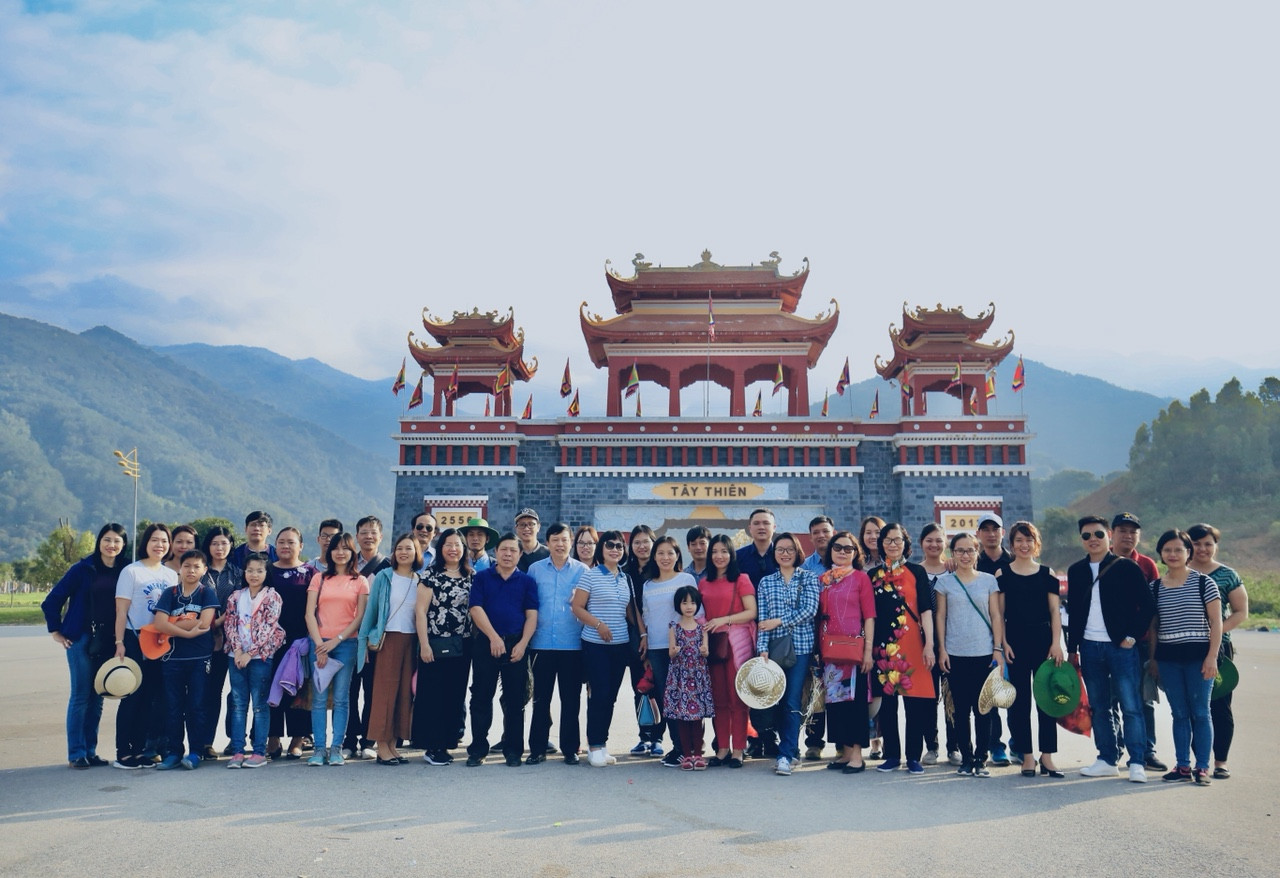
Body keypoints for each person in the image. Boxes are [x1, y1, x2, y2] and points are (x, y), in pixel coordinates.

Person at [1066, 516, 1156, 783]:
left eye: (1097, 534)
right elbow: (1075, 612)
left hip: (1120, 647)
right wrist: (1072, 649)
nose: (1092, 539)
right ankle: (1107, 758)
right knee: (1099, 706)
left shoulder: (1126, 567)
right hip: (1089, 647)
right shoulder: (1076, 570)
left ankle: (1137, 761)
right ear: (1081, 540)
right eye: (1086, 536)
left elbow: (1148, 605)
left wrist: (1132, 636)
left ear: (1108, 535)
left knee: (1131, 706)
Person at [42, 523, 129, 768]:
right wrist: (56, 631)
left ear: (124, 545)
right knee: (81, 695)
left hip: (108, 639)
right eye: (107, 539)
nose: (111, 545)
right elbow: (52, 601)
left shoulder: (126, 569)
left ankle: (90, 750)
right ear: (99, 541)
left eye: (117, 541)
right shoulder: (82, 569)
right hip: (80, 637)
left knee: (98, 695)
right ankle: (76, 753)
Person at [1147, 530, 1222, 785]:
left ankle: (1202, 768)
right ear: (1161, 554)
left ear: (1188, 552)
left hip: (1199, 658)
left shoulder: (1204, 583)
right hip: (1168, 659)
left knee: (1200, 712)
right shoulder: (1155, 588)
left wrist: (1212, 657)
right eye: (1167, 550)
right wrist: (1154, 660)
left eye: (1179, 549)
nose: (1173, 554)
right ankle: (1182, 766)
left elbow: (1216, 622)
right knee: (1179, 713)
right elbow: (1154, 627)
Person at [867, 523, 936, 775]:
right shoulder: (872, 575)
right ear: (881, 544)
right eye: (888, 540)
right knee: (887, 705)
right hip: (883, 648)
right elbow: (869, 616)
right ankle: (892, 755)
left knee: (915, 704)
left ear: (906, 543)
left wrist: (930, 645)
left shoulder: (917, 571)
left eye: (897, 540)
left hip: (913, 644)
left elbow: (926, 610)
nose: (893, 544)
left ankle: (914, 757)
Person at [998, 521, 1065, 777]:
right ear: (1012, 544)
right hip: (1014, 642)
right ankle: (1026, 756)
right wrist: (1003, 643)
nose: (1024, 545)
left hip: (1043, 642)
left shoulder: (1048, 574)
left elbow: (1055, 612)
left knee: (1046, 701)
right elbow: (999, 614)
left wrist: (1056, 643)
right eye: (1019, 540)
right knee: (1019, 702)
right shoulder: (1003, 574)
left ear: (1036, 543)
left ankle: (1047, 756)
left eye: (1029, 540)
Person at [934, 532, 1003, 777]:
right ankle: (966, 757)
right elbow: (941, 617)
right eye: (960, 551)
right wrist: (942, 649)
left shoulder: (988, 581)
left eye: (970, 550)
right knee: (961, 711)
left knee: (984, 709)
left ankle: (981, 759)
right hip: (955, 653)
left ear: (977, 552)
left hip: (984, 653)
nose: (965, 555)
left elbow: (996, 616)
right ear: (953, 553)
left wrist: (998, 649)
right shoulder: (944, 583)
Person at [467, 532, 539, 767]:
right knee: (481, 696)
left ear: (520, 554)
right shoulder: (482, 578)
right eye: (504, 549)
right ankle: (478, 749)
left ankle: (513, 750)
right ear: (496, 552)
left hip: (516, 643)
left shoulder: (527, 581)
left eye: (513, 550)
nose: (508, 554)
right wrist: (493, 638)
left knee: (515, 699)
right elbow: (475, 608)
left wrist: (523, 644)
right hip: (486, 643)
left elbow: (532, 615)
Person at [112, 523, 178, 769]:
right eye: (155, 540)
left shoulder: (170, 575)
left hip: (160, 640)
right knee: (132, 696)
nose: (160, 545)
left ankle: (139, 750)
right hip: (134, 637)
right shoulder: (132, 572)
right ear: (146, 543)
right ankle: (123, 752)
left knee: (150, 697)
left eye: (164, 541)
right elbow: (121, 611)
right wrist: (119, 642)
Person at [755, 532, 820, 776]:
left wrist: (779, 621)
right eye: (780, 549)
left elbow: (810, 610)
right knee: (776, 700)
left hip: (801, 648)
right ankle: (789, 749)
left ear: (797, 552)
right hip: (773, 650)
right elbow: (763, 620)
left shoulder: (808, 578)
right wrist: (762, 648)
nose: (785, 553)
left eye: (789, 549)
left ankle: (786, 754)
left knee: (792, 700)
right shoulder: (766, 582)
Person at [1187, 522, 1248, 779]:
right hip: (1186, 649)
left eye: (1208, 544)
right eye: (1196, 544)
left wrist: (1216, 633)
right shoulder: (1179, 571)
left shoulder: (1227, 574)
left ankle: (1220, 761)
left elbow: (1241, 612)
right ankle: (1199, 761)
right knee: (1192, 707)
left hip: (1219, 650)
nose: (1202, 549)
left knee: (1219, 705)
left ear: (1216, 546)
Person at [572, 530, 637, 767]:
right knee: (598, 694)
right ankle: (594, 746)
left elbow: (630, 612)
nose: (615, 550)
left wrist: (643, 634)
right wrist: (598, 625)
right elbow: (577, 607)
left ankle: (603, 744)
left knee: (610, 697)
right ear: (602, 548)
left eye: (619, 546)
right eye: (610, 545)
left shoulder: (626, 578)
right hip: (595, 645)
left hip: (620, 646)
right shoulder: (590, 575)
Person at [304, 532, 370, 766]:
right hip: (319, 643)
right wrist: (319, 645)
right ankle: (319, 749)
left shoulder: (360, 581)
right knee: (319, 699)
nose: (340, 552)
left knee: (342, 699)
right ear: (329, 551)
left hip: (347, 645)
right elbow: (309, 614)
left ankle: (336, 749)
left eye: (345, 548)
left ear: (353, 552)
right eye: (336, 548)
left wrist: (337, 640)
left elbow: (360, 617)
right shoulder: (319, 578)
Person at [527, 523, 589, 764]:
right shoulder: (535, 569)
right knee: (540, 700)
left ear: (571, 542)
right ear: (548, 543)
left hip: (572, 644)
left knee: (571, 700)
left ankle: (570, 749)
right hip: (541, 643)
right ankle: (537, 748)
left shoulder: (582, 570)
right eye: (555, 540)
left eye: (564, 539)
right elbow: (529, 604)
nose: (560, 544)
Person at [359, 532, 422, 765]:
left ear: (416, 552)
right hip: (388, 640)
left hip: (412, 641)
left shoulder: (420, 579)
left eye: (409, 548)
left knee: (404, 694)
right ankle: (381, 746)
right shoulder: (385, 576)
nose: (404, 552)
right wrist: (363, 642)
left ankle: (393, 744)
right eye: (399, 548)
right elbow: (371, 612)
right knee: (384, 694)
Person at [153, 550, 219, 770]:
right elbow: (159, 624)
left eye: (196, 566)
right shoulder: (170, 593)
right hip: (172, 658)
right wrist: (187, 631)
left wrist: (172, 624)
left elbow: (204, 623)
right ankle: (174, 752)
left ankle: (195, 752)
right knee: (173, 707)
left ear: (204, 570)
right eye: (187, 566)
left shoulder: (207, 593)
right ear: (179, 569)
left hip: (199, 658)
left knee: (197, 706)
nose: (191, 570)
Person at [816, 530, 876, 773]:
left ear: (855, 553)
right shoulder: (824, 580)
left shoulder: (861, 578)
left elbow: (869, 616)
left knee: (855, 703)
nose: (842, 552)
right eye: (838, 547)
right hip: (830, 650)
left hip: (854, 651)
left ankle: (857, 756)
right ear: (830, 550)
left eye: (848, 548)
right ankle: (846, 752)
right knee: (836, 703)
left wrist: (868, 651)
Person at [1109, 512, 1164, 772]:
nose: (1128, 536)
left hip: (1140, 643)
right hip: (1108, 643)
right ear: (1112, 534)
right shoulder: (1101, 561)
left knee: (1143, 700)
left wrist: (1154, 652)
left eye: (1133, 532)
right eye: (1123, 531)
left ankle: (1147, 751)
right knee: (1111, 700)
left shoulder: (1147, 565)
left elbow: (1154, 610)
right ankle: (1114, 749)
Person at [414, 528, 474, 766]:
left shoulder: (471, 575)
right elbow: (420, 611)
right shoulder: (431, 574)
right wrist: (424, 644)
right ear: (441, 548)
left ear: (464, 549)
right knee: (433, 695)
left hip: (462, 645)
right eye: (448, 544)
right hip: (435, 643)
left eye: (457, 544)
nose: (453, 549)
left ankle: (447, 741)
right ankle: (432, 746)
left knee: (454, 694)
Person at [639, 536, 698, 767]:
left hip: (683, 648)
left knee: (687, 696)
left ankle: (691, 747)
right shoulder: (648, 585)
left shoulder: (686, 579)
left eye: (670, 553)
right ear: (654, 557)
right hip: (657, 648)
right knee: (668, 699)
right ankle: (678, 747)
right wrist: (646, 648)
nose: (665, 557)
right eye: (660, 553)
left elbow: (696, 611)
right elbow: (646, 617)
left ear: (677, 555)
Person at [699, 534, 757, 768]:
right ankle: (722, 748)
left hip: (736, 644)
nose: (719, 556)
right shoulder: (704, 582)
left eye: (724, 551)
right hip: (713, 645)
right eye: (714, 551)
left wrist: (723, 619)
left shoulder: (741, 579)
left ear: (731, 554)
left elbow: (751, 611)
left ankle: (739, 750)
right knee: (719, 698)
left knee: (737, 698)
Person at [222, 553, 284, 768]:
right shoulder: (236, 596)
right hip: (236, 657)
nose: (254, 574)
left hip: (260, 658)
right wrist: (238, 650)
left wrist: (250, 653)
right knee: (238, 704)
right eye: (250, 570)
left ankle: (259, 752)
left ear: (267, 573)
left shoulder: (272, 597)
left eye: (259, 570)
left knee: (260, 705)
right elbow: (230, 625)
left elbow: (268, 627)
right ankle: (237, 751)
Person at [265, 527, 313, 760]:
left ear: (300, 546)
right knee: (270, 685)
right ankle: (272, 736)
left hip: (299, 639)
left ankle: (297, 738)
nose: (285, 546)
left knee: (299, 687)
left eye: (291, 542)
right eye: (281, 541)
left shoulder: (310, 573)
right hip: (269, 639)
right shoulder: (266, 570)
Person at [346, 515, 389, 760]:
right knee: (348, 691)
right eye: (364, 532)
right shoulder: (347, 563)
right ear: (356, 536)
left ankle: (368, 740)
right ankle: (349, 740)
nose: (368, 536)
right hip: (349, 637)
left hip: (375, 640)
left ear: (380, 536)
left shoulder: (388, 566)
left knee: (373, 691)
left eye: (373, 532)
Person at [199, 525, 241, 760]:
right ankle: (205, 742)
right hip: (204, 639)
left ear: (231, 545)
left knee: (237, 693)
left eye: (224, 543)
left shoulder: (238, 573)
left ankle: (235, 741)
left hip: (234, 640)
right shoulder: (200, 571)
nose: (219, 548)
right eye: (215, 543)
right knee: (210, 692)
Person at [974, 513, 1013, 765]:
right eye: (985, 529)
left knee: (1015, 693)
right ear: (978, 534)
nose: (990, 534)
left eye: (995, 529)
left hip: (1015, 636)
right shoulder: (972, 562)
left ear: (1003, 532)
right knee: (990, 692)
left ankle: (1020, 744)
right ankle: (995, 745)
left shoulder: (1015, 561)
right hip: (984, 637)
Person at [664, 586, 715, 771]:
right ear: (678, 605)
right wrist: (675, 651)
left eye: (692, 602)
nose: (689, 606)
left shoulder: (702, 628)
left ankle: (698, 755)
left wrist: (704, 650)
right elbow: (670, 653)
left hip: (698, 676)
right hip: (680, 677)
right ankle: (687, 755)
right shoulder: (674, 628)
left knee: (697, 717)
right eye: (684, 602)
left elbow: (706, 652)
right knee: (682, 716)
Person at [919, 522, 957, 767]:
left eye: (939, 540)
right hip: (922, 643)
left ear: (945, 543)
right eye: (929, 540)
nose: (934, 545)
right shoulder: (914, 571)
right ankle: (931, 747)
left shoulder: (953, 570)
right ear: (921, 543)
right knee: (928, 697)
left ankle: (954, 747)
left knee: (952, 695)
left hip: (952, 641)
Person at [623, 524, 660, 756]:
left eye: (646, 541)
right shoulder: (625, 572)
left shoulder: (661, 568)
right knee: (640, 687)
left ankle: (658, 738)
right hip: (635, 638)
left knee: (659, 688)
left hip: (658, 635)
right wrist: (640, 635)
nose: (642, 546)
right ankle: (643, 736)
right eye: (637, 542)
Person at [801, 516, 835, 760]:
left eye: (825, 531)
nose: (821, 535)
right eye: (816, 532)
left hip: (841, 635)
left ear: (833, 532)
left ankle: (842, 740)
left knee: (839, 687)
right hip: (813, 635)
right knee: (814, 688)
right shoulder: (805, 567)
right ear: (811, 537)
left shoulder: (845, 561)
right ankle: (813, 742)